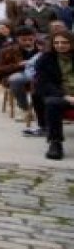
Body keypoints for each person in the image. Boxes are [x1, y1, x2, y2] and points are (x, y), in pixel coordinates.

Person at [34, 30, 74, 160]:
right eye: (56, 42)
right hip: (60, 95)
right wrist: (65, 96)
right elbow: (44, 84)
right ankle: (55, 143)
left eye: (64, 42)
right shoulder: (45, 59)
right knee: (52, 103)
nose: (60, 45)